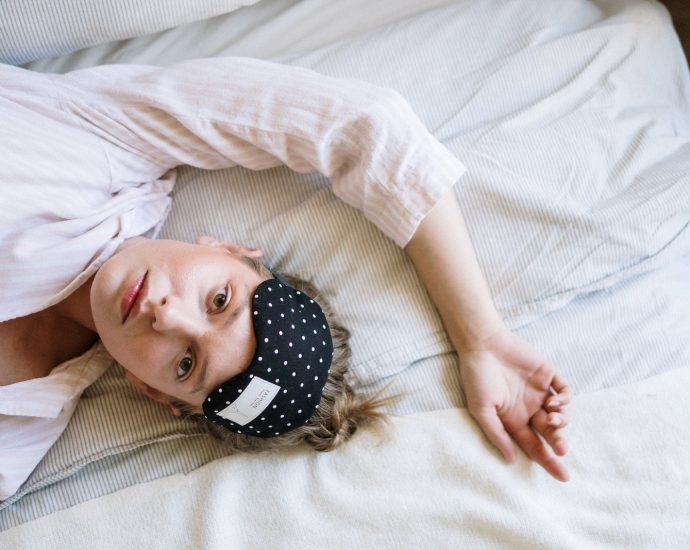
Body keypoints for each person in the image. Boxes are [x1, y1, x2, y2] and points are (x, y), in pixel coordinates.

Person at [0, 56, 571, 500]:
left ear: (154, 392)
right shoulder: (114, 140)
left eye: (184, 363)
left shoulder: (18, 431)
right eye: (219, 299)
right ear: (227, 249)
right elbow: (365, 126)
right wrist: (482, 338)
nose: (167, 316)